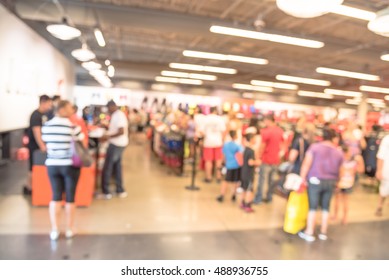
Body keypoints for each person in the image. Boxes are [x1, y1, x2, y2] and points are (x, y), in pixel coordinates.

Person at [41, 100, 84, 241]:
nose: (72, 110)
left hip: (52, 165)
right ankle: (69, 229)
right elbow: (81, 142)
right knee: (70, 198)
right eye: (70, 108)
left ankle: (54, 230)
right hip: (69, 165)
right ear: (63, 109)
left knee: (55, 196)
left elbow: (46, 142)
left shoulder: (46, 126)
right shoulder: (73, 127)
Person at [298, 128, 343, 242]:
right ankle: (323, 232)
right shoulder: (338, 151)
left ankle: (309, 232)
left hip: (315, 180)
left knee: (312, 207)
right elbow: (341, 170)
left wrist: (302, 179)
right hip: (331, 181)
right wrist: (338, 182)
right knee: (325, 207)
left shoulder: (315, 148)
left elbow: (306, 164)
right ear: (333, 138)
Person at [23, 94, 52, 195]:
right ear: (43, 103)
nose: (49, 106)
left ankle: (34, 186)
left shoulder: (44, 115)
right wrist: (42, 146)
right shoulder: (35, 115)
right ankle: (28, 187)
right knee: (33, 167)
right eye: (48, 104)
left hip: (39, 146)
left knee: (37, 167)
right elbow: (37, 132)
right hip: (34, 146)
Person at [100, 100, 129, 199]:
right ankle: (120, 190)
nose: (108, 110)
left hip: (116, 144)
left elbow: (121, 131)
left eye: (108, 108)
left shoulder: (118, 115)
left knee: (108, 167)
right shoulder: (117, 115)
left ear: (112, 106)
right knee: (117, 167)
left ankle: (106, 191)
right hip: (119, 144)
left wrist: (108, 136)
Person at [253, 114, 285, 204]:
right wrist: (280, 155)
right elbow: (282, 146)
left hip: (266, 159)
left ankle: (258, 199)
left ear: (267, 120)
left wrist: (258, 156)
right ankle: (269, 197)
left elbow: (262, 146)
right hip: (275, 160)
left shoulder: (265, 131)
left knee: (262, 180)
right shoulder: (280, 131)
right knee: (272, 180)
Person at [332, 145, 364, 224]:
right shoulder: (341, 160)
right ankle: (336, 215)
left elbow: (361, 170)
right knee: (338, 199)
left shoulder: (354, 160)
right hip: (340, 182)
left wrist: (353, 169)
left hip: (347, 183)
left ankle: (344, 217)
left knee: (345, 200)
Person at [199, 106, 226, 183]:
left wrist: (206, 136)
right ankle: (218, 176)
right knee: (218, 160)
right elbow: (224, 131)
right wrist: (222, 139)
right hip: (218, 142)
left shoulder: (206, 119)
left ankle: (208, 177)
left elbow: (201, 131)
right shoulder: (220, 119)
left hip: (208, 142)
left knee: (208, 160)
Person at [216, 131, 243, 202]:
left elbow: (223, 155)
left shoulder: (226, 145)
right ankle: (234, 195)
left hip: (228, 165)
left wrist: (222, 163)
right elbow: (241, 154)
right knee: (236, 181)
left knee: (225, 181)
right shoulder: (238, 146)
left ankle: (222, 195)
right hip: (237, 165)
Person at [240, 133, 261, 213]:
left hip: (244, 172)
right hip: (249, 173)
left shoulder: (245, 149)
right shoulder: (251, 151)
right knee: (250, 189)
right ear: (251, 139)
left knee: (244, 188)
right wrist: (258, 162)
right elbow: (250, 162)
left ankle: (242, 202)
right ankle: (248, 205)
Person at [375, 134, 389, 216]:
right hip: (387, 171)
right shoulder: (387, 139)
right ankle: (379, 206)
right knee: (383, 191)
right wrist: (379, 170)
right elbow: (381, 156)